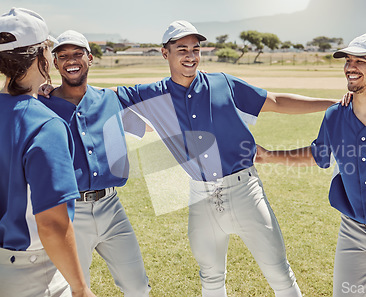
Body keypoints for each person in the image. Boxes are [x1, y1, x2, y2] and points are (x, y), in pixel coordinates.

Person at [111, 20, 339, 297]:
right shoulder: (151, 95)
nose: (190, 56)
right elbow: (99, 98)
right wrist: (52, 93)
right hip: (200, 197)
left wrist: (333, 104)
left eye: (195, 49)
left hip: (245, 191)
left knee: (279, 272)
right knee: (210, 278)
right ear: (164, 53)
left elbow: (276, 101)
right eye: (181, 49)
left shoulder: (223, 83)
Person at [255, 33, 366, 297]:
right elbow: (317, 154)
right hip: (351, 232)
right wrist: (268, 156)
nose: (350, 67)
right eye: (348, 60)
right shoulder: (336, 114)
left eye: (360, 61)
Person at [0, 8, 95, 297]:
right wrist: (80, 288)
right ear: (41, 54)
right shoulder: (46, 125)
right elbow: (52, 224)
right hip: (32, 275)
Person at [38, 30, 151, 297]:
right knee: (75, 290)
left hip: (112, 207)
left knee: (138, 286)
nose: (70, 60)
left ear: (90, 58)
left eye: (78, 54)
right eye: (63, 56)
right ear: (55, 64)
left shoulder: (110, 99)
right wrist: (39, 90)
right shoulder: (43, 105)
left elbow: (145, 128)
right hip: (70, 212)